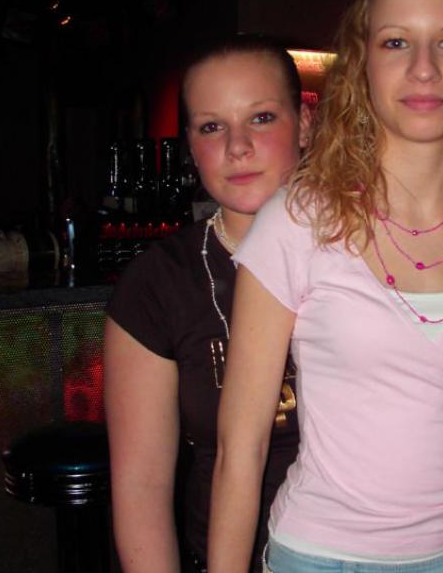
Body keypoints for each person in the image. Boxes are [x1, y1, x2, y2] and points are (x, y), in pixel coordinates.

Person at [209, 0, 443, 573]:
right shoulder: (298, 221)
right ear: (363, 64)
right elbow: (240, 448)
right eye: (396, 42)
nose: (423, 68)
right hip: (323, 557)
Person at [104, 35, 311, 573]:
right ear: (191, 147)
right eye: (212, 127)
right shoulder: (157, 284)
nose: (237, 147)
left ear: (305, 126)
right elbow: (142, 487)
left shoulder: (369, 253)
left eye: (261, 118)